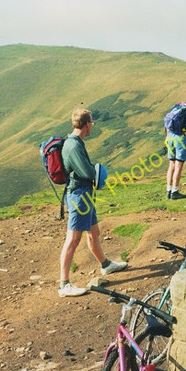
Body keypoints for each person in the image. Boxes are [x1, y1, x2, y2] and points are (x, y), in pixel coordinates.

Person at [58, 108, 127, 297]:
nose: (92, 127)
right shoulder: (74, 146)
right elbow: (87, 173)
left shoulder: (73, 142)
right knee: (73, 240)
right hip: (79, 196)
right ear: (87, 124)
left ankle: (106, 265)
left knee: (94, 232)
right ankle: (64, 284)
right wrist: (98, 172)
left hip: (84, 195)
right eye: (92, 123)